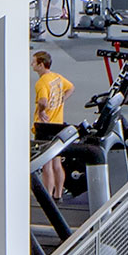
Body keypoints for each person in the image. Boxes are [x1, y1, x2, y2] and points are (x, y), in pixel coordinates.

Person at [31, 48, 74, 201]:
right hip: (58, 124)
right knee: (57, 162)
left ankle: (47, 196)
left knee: (46, 164)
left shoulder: (42, 82)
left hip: (44, 127)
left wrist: (42, 110)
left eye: (34, 62)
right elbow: (71, 87)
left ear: (41, 64)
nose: (32, 64)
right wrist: (62, 99)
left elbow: (42, 101)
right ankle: (58, 195)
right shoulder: (57, 77)